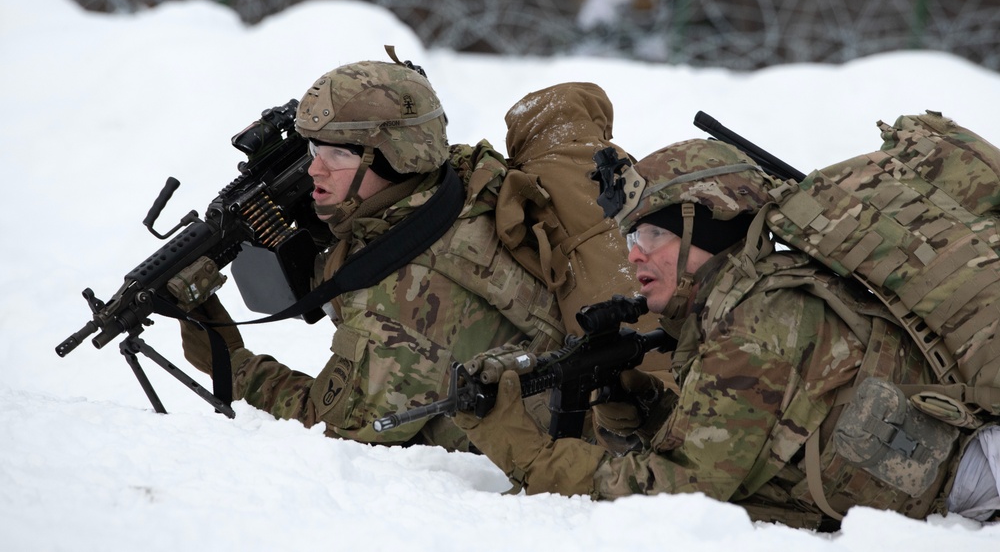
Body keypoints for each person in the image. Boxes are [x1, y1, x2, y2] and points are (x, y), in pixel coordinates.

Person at [453, 137, 972, 529]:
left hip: (969, 494)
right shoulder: (758, 298)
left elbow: (680, 494)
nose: (634, 253)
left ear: (705, 227)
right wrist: (647, 406)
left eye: (654, 232)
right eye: (633, 234)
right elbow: (754, 435)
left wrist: (526, 453)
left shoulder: (756, 324)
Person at [173, 50, 566, 451]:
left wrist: (232, 365)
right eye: (314, 151)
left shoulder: (404, 300)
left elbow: (340, 430)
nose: (314, 171)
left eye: (338, 154)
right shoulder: (461, 181)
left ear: (396, 157)